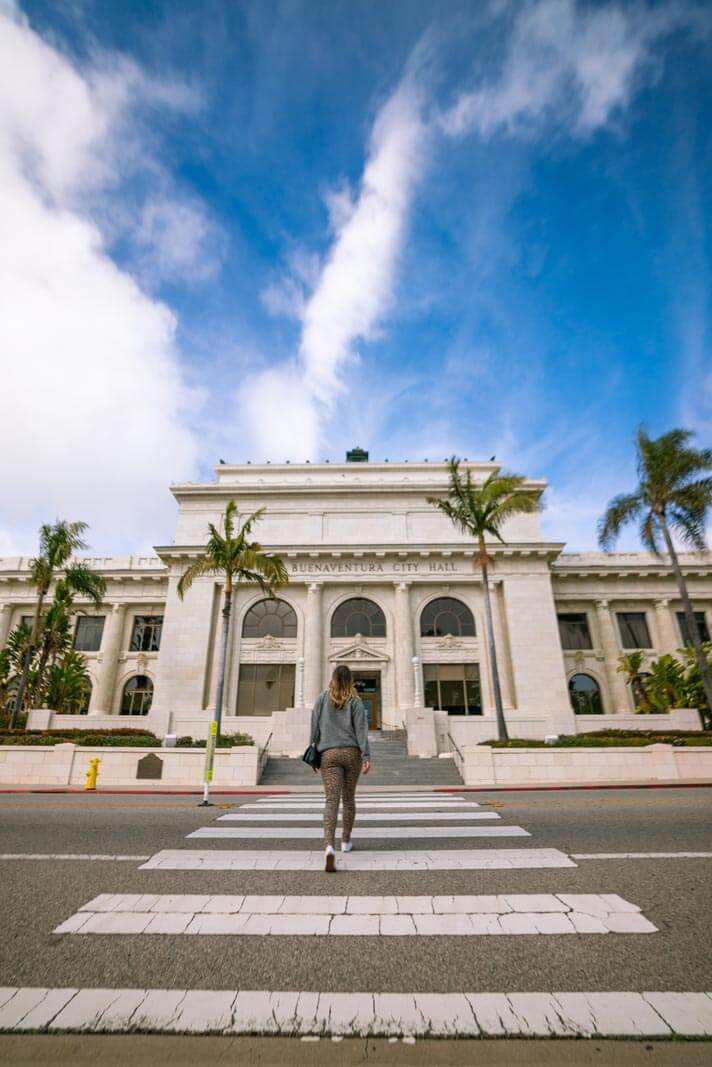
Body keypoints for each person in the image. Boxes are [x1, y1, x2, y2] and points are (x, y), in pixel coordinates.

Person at [310, 664, 370, 872]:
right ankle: (346, 841)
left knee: (331, 800)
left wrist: (314, 753)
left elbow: (314, 726)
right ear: (350, 680)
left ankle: (329, 846)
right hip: (351, 753)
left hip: (329, 753)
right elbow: (361, 730)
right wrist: (366, 755)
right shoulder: (356, 701)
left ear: (333, 678)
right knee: (349, 798)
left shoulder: (321, 698)